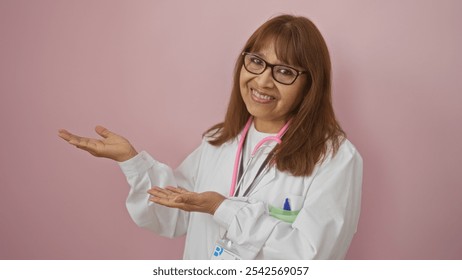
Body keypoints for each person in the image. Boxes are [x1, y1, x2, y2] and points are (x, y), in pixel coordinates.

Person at [58, 14, 362, 259]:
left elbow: (312, 256)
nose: (263, 80)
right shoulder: (220, 141)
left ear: (311, 84)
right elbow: (172, 217)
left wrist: (222, 208)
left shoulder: (334, 158)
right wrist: (132, 162)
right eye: (256, 61)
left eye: (284, 71)